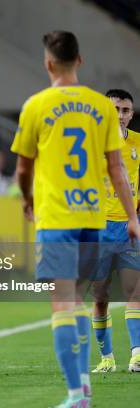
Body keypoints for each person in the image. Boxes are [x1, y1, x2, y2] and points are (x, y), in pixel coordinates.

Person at [11, 31, 140, 408]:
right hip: (96, 217)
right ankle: (87, 382)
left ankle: (78, 391)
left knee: (66, 301)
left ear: (48, 63)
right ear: (79, 61)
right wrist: (132, 216)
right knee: (85, 300)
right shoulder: (100, 108)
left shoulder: (37, 105)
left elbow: (22, 167)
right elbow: (117, 170)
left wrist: (26, 197)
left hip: (56, 215)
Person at [90, 89, 140, 373]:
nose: (120, 115)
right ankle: (107, 358)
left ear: (131, 114)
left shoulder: (139, 144)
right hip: (99, 228)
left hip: (129, 228)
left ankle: (137, 354)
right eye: (115, 110)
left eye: (125, 110)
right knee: (101, 298)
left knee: (135, 291)